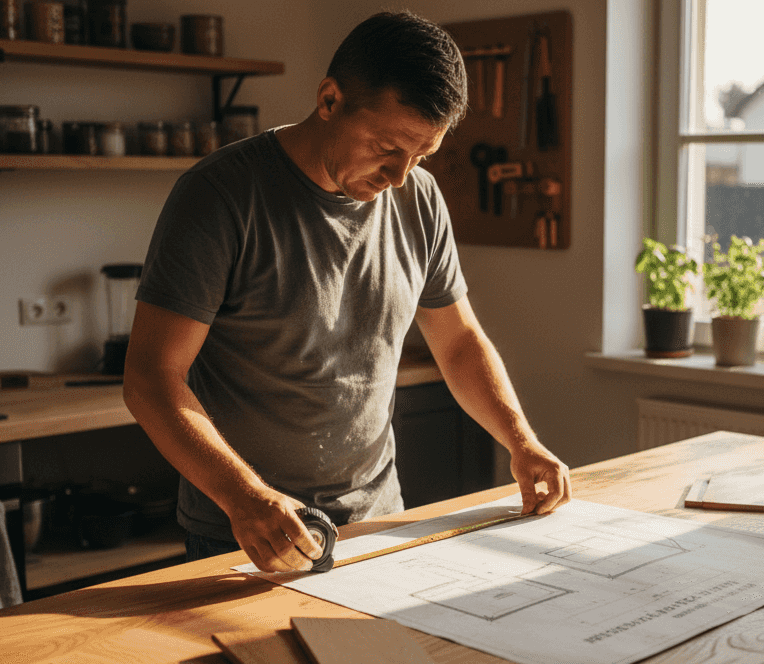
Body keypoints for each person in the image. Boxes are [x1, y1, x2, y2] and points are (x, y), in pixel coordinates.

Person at [122, 11, 571, 574]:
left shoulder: (420, 199)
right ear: (329, 100)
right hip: (246, 532)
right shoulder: (219, 197)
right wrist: (245, 498)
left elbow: (456, 342)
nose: (400, 176)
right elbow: (150, 378)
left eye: (422, 155)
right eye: (387, 146)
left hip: (378, 522)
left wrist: (521, 439)